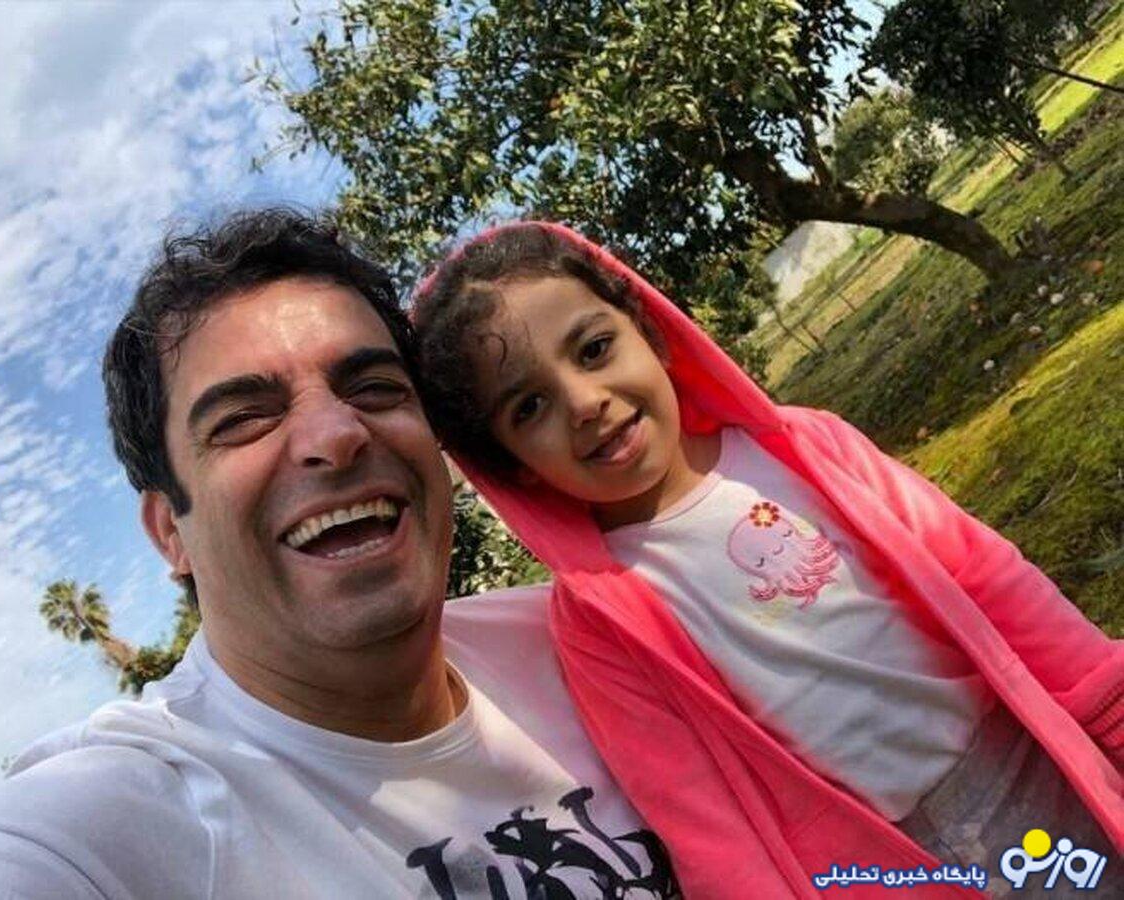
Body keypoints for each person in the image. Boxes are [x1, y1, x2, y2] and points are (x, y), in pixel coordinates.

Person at [0, 210, 681, 899]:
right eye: (243, 419)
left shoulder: (580, 644)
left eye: (374, 387)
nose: (336, 435)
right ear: (170, 533)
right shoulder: (128, 815)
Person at [411, 222, 1124, 897]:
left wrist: (1109, 707)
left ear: (650, 334)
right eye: (529, 407)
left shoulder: (808, 450)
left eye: (594, 349)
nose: (584, 402)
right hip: (895, 863)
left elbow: (988, 575)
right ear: (514, 466)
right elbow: (699, 817)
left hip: (1036, 760)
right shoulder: (597, 624)